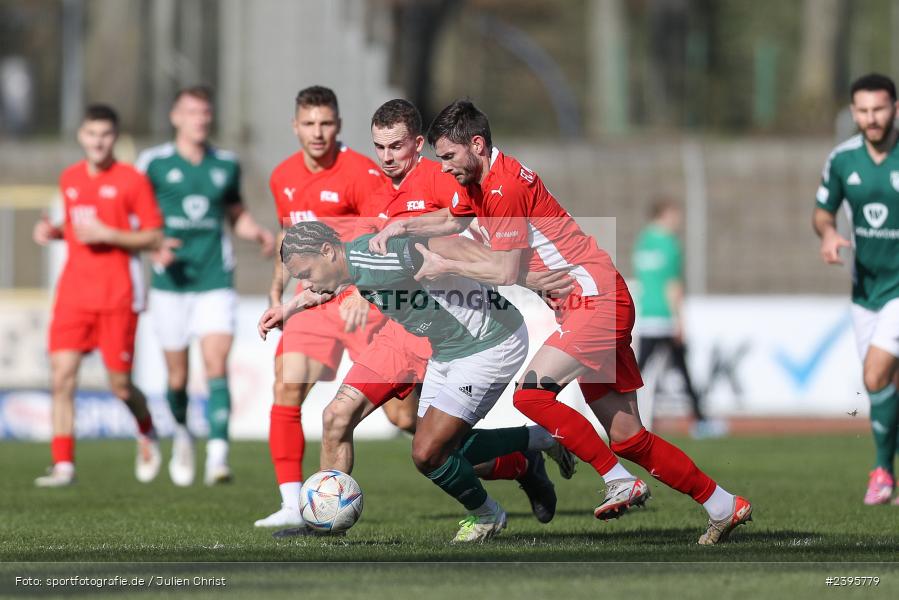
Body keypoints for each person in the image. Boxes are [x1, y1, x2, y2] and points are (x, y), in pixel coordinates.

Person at [369, 100, 752, 544]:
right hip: (589, 300)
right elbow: (455, 217)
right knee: (628, 437)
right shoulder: (482, 179)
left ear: (476, 144)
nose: (445, 168)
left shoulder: (503, 188)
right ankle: (723, 504)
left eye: (449, 157)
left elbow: (506, 272)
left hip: (594, 298)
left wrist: (441, 267)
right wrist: (403, 228)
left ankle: (617, 480)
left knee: (532, 394)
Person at [312, 99, 575, 528]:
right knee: (339, 417)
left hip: (451, 327)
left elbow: (469, 238)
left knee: (432, 446)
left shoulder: (443, 176)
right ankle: (324, 519)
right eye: (380, 147)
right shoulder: (374, 186)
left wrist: (532, 279)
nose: (387, 156)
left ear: (418, 144)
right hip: (403, 329)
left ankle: (519, 467)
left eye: (396, 146)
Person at [260, 221, 573, 543]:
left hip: (489, 344)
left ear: (327, 251)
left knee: (428, 453)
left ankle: (488, 515)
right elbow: (334, 286)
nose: (306, 283)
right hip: (449, 349)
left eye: (306, 273)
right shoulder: (348, 267)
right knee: (433, 451)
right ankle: (540, 440)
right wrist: (291, 306)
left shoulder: (378, 255)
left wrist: (530, 280)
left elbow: (454, 246)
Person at [254, 86, 393, 528]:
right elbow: (285, 238)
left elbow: (377, 243)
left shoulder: (362, 174)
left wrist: (354, 293)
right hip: (311, 304)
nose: (318, 133)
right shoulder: (283, 177)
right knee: (286, 388)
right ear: (295, 126)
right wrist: (278, 293)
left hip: (361, 302)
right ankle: (293, 506)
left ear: (338, 125)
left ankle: (522, 454)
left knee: (408, 418)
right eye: (310, 124)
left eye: (326, 123)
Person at [136, 86, 275, 487]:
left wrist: (258, 233)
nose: (200, 119)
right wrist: (154, 247)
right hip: (170, 284)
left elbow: (236, 215)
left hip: (215, 279)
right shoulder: (154, 163)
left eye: (205, 112)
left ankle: (218, 455)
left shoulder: (226, 165)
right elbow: (137, 218)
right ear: (175, 117)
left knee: (216, 365)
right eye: (192, 112)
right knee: (176, 379)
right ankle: (181, 433)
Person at [32, 104, 163, 487]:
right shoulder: (70, 177)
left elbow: (154, 235)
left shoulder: (132, 180)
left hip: (117, 296)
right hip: (73, 294)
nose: (98, 142)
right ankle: (63, 465)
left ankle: (146, 427)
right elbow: (76, 228)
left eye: (105, 134)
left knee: (120, 386)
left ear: (115, 137)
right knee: (62, 379)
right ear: (81, 136)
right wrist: (53, 232)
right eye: (91, 134)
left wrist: (111, 235)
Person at [814, 73, 899, 505]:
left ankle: (882, 471)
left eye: (879, 109)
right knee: (885, 384)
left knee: (874, 374)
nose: (872, 118)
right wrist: (828, 235)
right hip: (865, 290)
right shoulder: (843, 160)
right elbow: (822, 212)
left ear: (895, 109)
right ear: (853, 113)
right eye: (863, 111)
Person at [632, 199, 726, 439]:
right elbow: (673, 286)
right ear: (663, 215)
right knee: (681, 371)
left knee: (638, 372)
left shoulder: (643, 242)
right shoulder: (670, 246)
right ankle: (700, 422)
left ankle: (623, 417)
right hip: (664, 316)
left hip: (646, 315)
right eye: (674, 215)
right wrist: (679, 319)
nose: (678, 220)